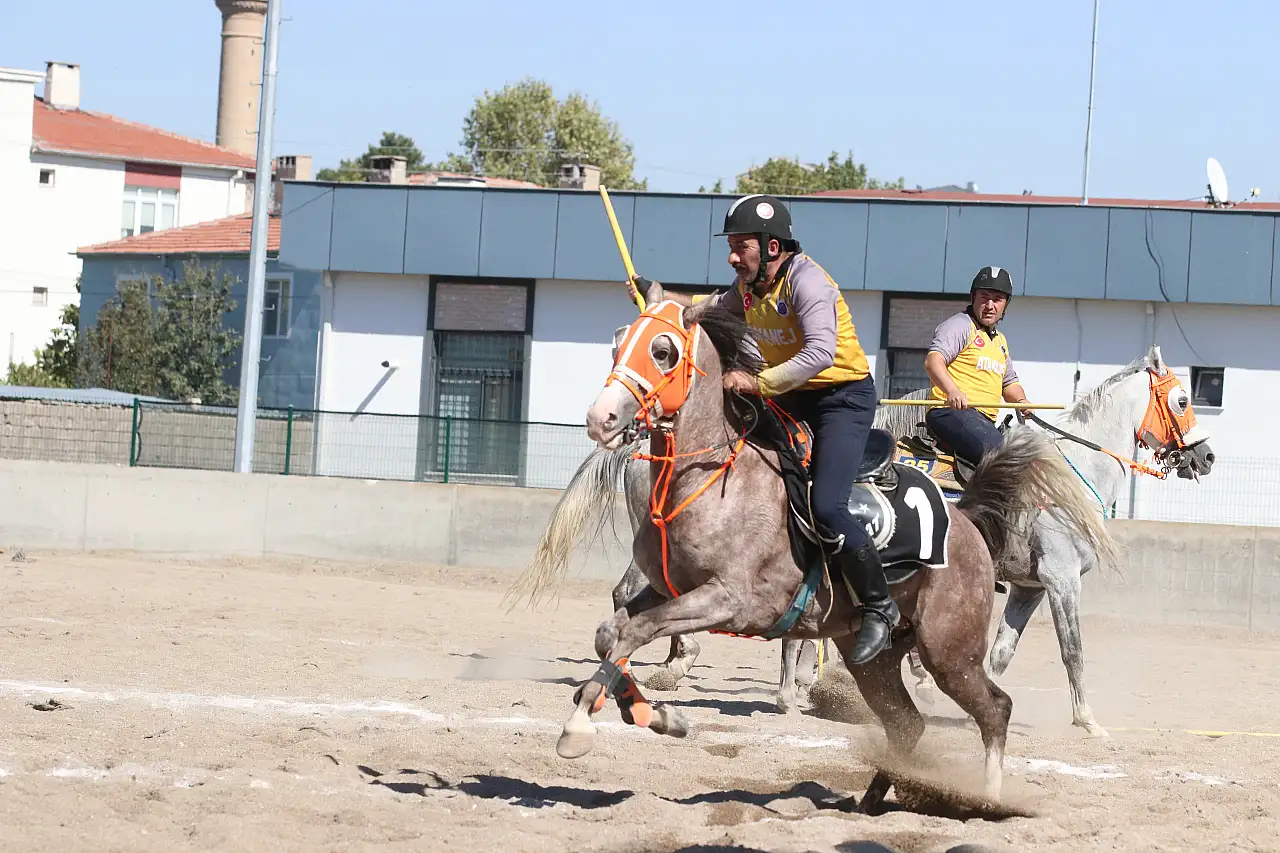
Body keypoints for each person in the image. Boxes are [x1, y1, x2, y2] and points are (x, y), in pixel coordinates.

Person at [632, 194, 897, 665]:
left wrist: (757, 382)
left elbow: (819, 354)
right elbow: (705, 308)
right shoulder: (751, 286)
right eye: (730, 246)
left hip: (841, 400)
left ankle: (880, 606)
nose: (733, 256)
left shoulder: (809, 283)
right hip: (789, 393)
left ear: (772, 246)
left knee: (828, 506)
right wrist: (658, 296)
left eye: (741, 246)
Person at [923, 265, 1031, 469]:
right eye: (984, 297)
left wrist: (1021, 401)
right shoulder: (960, 326)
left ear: (1005, 305)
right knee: (1003, 459)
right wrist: (952, 390)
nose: (990, 305)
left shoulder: (1000, 342)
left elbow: (1009, 385)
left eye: (997, 299)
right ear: (973, 297)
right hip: (950, 413)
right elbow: (933, 361)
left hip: (981, 421)